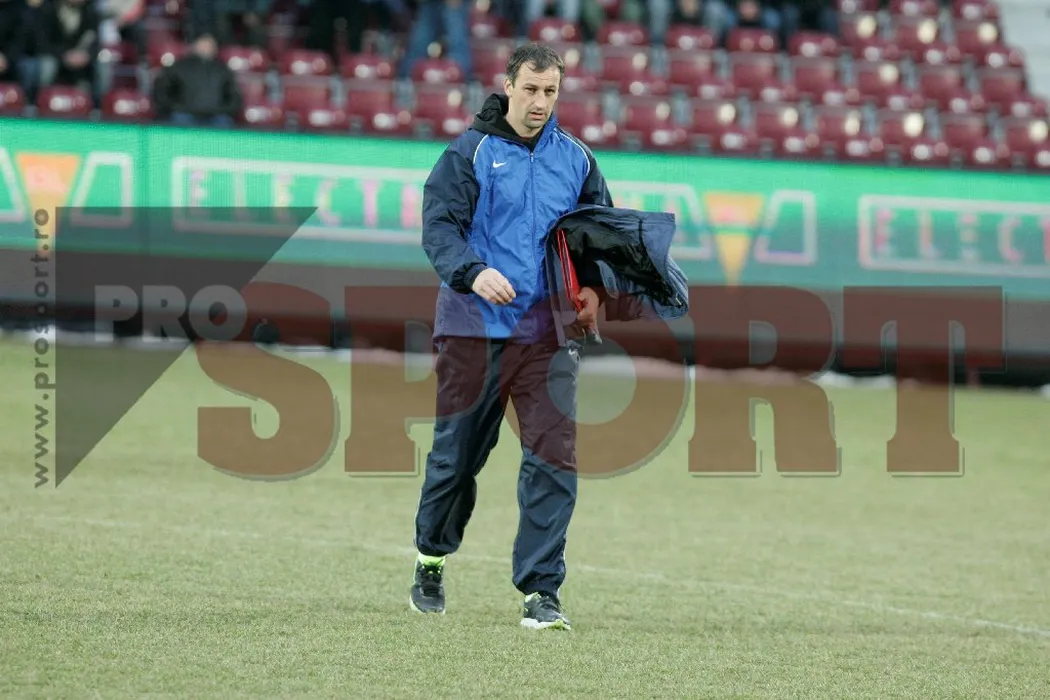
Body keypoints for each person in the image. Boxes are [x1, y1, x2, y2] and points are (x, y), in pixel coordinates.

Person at [408, 42, 614, 631]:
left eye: (550, 91)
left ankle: (541, 592)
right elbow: (440, 227)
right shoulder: (468, 152)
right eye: (530, 89)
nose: (540, 102)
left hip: (548, 334)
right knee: (457, 458)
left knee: (553, 460)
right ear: (508, 87)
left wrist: (593, 289)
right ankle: (430, 559)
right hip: (472, 329)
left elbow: (596, 236)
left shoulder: (577, 159)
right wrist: (473, 272)